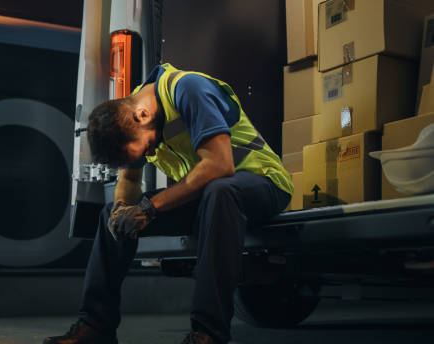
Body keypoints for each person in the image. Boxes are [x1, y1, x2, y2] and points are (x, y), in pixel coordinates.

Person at [43, 63, 293, 344]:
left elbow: (220, 165)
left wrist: (149, 209)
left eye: (146, 147)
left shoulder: (189, 89)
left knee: (221, 191)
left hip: (261, 184)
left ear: (142, 115)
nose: (151, 151)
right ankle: (95, 326)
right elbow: (130, 181)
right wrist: (123, 208)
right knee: (109, 214)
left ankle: (208, 332)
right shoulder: (131, 113)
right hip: (209, 197)